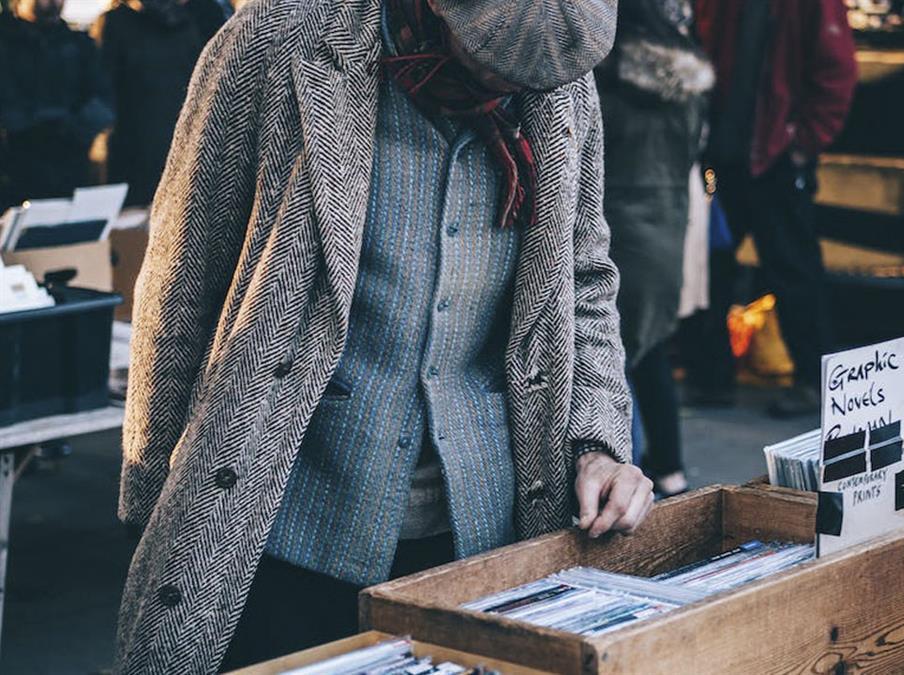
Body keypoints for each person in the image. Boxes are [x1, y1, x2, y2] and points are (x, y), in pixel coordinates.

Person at [115, 0, 651, 672]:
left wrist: (598, 441)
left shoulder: (557, 76)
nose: (506, 94)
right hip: (284, 523)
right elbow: (181, 277)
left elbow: (586, 278)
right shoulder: (276, 42)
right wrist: (151, 500)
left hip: (485, 536)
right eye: (489, 67)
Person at [688, 0, 858, 418]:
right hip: (729, 159)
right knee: (712, 268)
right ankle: (712, 378)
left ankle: (814, 383)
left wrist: (803, 145)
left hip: (775, 159)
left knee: (793, 270)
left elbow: (837, 71)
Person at [596, 0, 712, 497]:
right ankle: (668, 468)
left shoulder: (602, 74)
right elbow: (694, 150)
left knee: (608, 359)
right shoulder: (687, 82)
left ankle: (627, 474)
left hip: (613, 222)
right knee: (649, 350)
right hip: (668, 224)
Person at [94, 0, 226, 207]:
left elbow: (101, 90)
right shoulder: (189, 21)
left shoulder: (116, 22)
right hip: (176, 147)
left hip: (138, 150)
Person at [0, 0, 113, 208]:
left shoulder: (80, 45)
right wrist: (32, 127)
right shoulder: (6, 44)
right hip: (14, 170)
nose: (52, 3)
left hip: (69, 169)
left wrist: (72, 129)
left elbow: (103, 100)